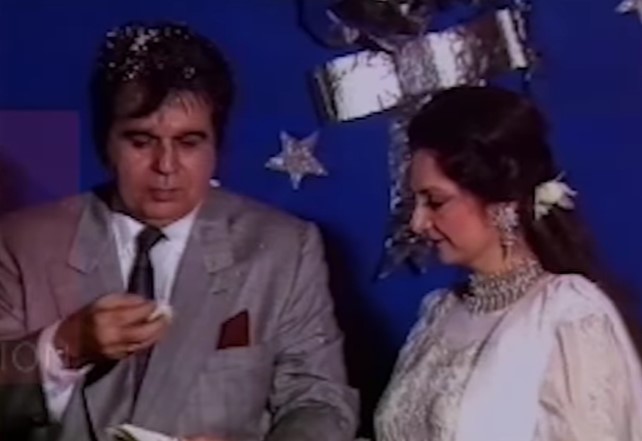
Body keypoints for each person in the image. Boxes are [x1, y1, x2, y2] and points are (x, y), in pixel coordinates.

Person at [0, 21, 358, 441]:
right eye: (141, 141)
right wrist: (66, 344)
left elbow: (319, 402)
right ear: (104, 143)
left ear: (217, 146)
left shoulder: (285, 249)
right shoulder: (22, 242)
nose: (166, 166)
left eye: (189, 143)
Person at [374, 85, 642, 441]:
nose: (417, 223)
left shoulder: (567, 313)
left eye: (435, 202)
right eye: (416, 203)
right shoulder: (438, 312)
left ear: (503, 204)